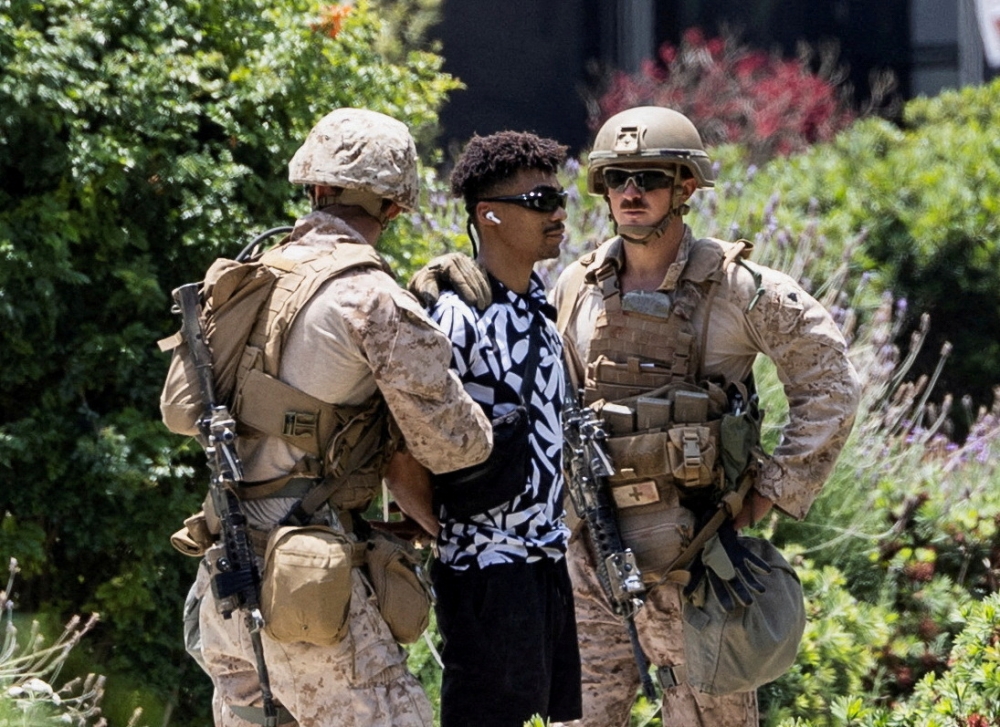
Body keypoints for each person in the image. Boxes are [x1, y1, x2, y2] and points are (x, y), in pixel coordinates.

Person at [173, 108, 493, 727]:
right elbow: (455, 443)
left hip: (228, 579)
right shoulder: (369, 296)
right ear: (395, 206)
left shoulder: (254, 276)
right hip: (305, 592)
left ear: (314, 188)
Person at [548, 106, 862, 726]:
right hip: (593, 550)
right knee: (578, 715)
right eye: (618, 179)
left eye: (651, 177)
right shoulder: (575, 286)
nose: (632, 192)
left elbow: (831, 382)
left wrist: (771, 491)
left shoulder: (739, 288)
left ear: (686, 186)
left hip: (697, 550)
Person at [408, 131, 583, 727]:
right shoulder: (455, 316)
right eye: (540, 201)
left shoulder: (538, 307)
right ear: (490, 216)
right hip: (486, 572)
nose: (558, 213)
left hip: (544, 561)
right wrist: (453, 529)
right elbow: (400, 449)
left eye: (561, 199)